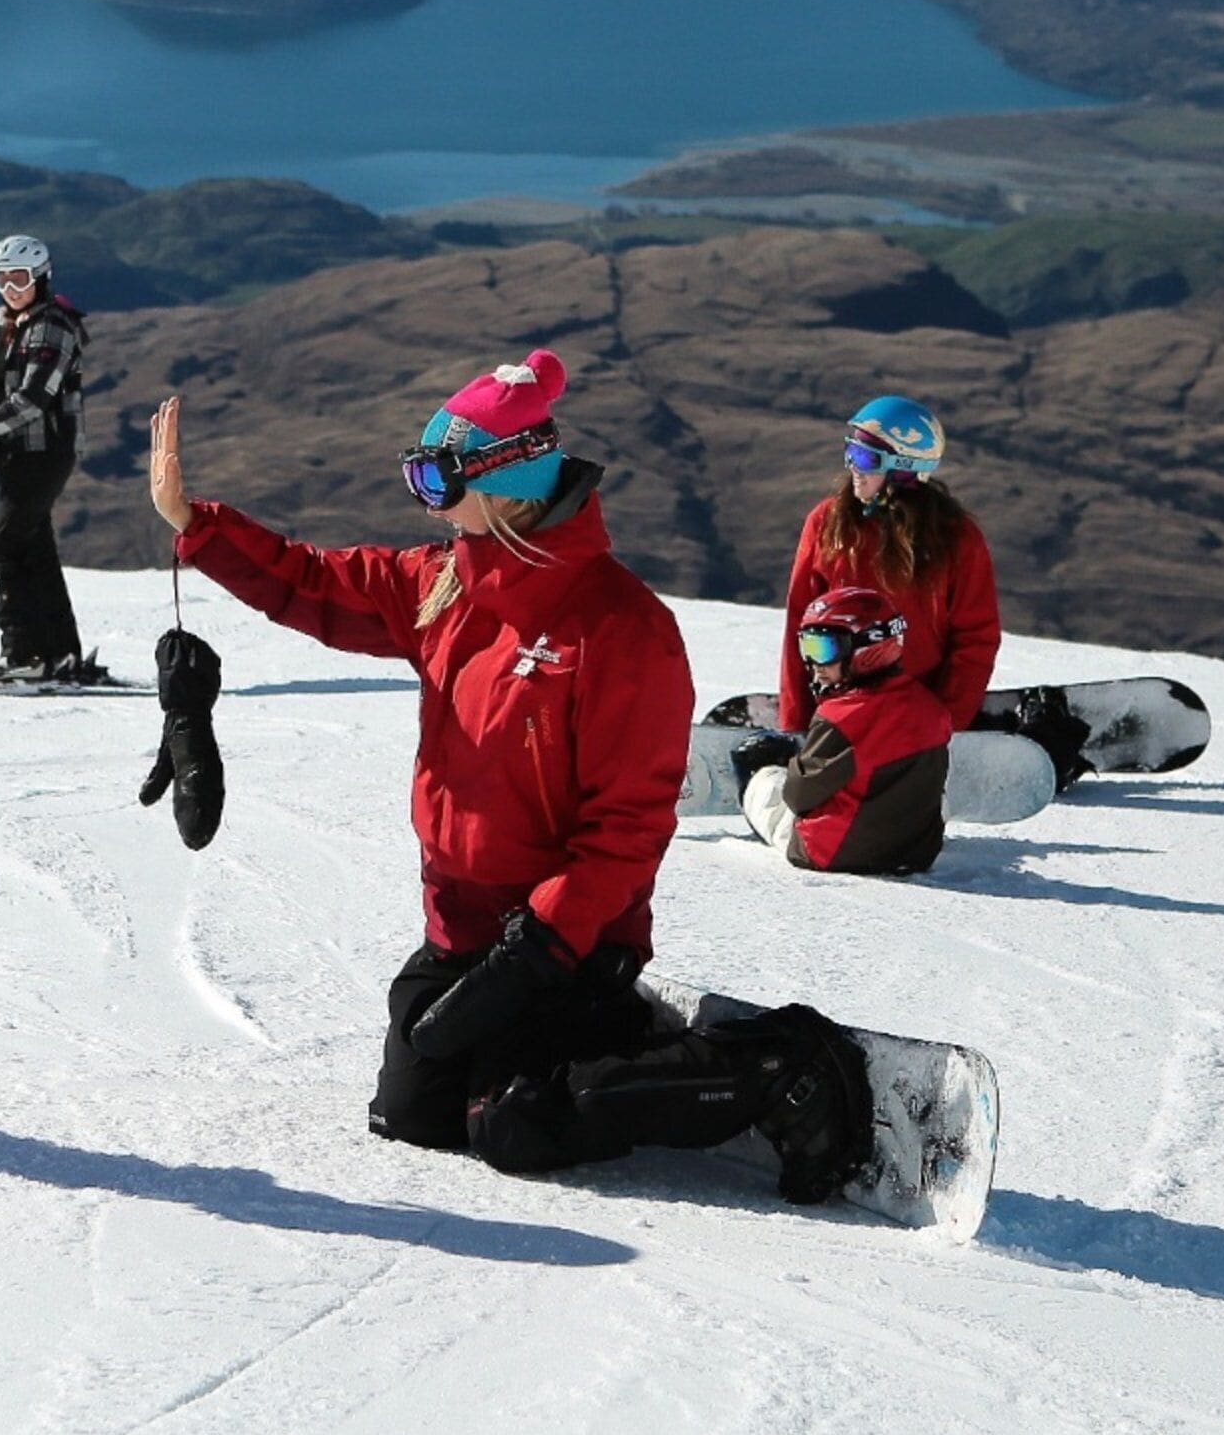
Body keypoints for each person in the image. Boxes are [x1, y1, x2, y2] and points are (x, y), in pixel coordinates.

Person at [147, 351, 872, 1200]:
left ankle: (778, 1066)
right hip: (462, 923)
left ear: (507, 478)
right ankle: (590, 1044)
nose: (428, 501)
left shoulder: (620, 627)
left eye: (437, 479)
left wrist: (540, 948)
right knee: (414, 1116)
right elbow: (320, 586)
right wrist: (198, 525)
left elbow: (630, 827)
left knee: (517, 1125)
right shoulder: (446, 583)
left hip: (562, 942)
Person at [772, 395, 1002, 741]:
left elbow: (975, 639)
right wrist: (797, 728)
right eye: (850, 451)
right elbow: (798, 629)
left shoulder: (955, 537)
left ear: (903, 467)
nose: (853, 466)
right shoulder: (828, 523)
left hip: (917, 710)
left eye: (866, 457)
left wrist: (944, 727)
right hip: (836, 707)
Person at [0, 234, 100, 684]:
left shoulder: (52, 325)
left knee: (6, 551)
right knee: (34, 548)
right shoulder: (2, 321)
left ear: (40, 276)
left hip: (46, 449)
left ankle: (26, 656)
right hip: (17, 451)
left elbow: (35, 397)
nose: (11, 288)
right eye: (1, 279)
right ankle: (61, 655)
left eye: (19, 278)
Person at [737, 585, 952, 877]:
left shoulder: (841, 718)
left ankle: (753, 783)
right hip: (915, 855)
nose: (814, 665)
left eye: (825, 649)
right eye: (807, 647)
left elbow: (798, 796)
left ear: (867, 650)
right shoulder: (933, 710)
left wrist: (787, 767)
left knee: (768, 784)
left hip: (832, 854)